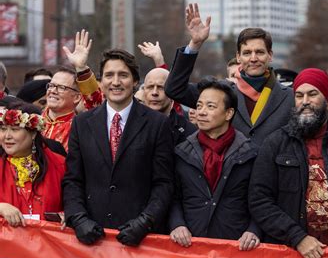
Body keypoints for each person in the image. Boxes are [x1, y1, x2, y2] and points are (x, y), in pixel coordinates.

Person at [249, 68, 328, 258]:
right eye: (299, 95)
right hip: (289, 253)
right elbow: (259, 200)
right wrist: (298, 237)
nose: (304, 102)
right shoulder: (275, 144)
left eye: (312, 94)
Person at [62, 49, 175, 247]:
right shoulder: (81, 123)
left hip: (141, 239)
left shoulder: (157, 124)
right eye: (109, 75)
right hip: (92, 237)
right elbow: (73, 179)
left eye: (123, 75)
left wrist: (146, 221)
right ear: (101, 82)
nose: (115, 82)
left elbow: (164, 183)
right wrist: (78, 218)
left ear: (135, 81)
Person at [165, 3, 294, 145]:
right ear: (238, 57)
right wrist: (195, 44)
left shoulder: (290, 96)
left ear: (270, 55)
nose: (253, 58)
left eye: (259, 52)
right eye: (246, 53)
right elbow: (174, 89)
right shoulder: (220, 91)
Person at [169, 79, 261, 250]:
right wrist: (177, 224)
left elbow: (261, 198)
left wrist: (254, 230)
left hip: (236, 246)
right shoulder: (182, 151)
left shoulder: (251, 153)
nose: (201, 112)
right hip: (190, 245)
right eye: (199, 106)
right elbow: (173, 196)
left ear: (228, 113)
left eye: (210, 107)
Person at [0, 102, 66, 226]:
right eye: (3, 129)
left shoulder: (60, 166)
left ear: (33, 133)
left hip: (47, 242)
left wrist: (69, 215)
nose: (7, 136)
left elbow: (77, 201)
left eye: (15, 129)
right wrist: (1, 207)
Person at [143, 68, 196, 144]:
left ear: (172, 92)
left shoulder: (190, 132)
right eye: (150, 87)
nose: (154, 92)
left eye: (161, 87)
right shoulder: (129, 125)